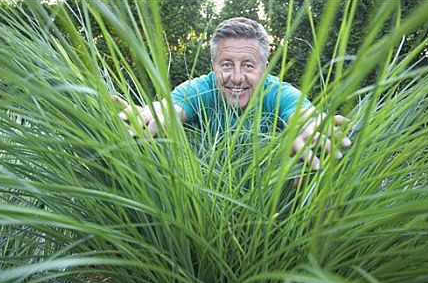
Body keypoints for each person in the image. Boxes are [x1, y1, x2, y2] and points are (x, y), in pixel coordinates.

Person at [115, 17, 351, 170]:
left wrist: (309, 126)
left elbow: (302, 114)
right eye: (226, 64)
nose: (237, 77)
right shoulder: (201, 89)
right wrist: (156, 114)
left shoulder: (277, 92)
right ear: (213, 66)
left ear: (265, 68)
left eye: (248, 65)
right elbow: (172, 108)